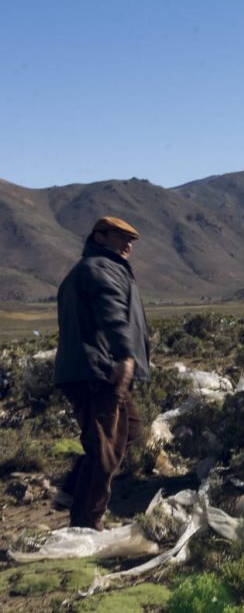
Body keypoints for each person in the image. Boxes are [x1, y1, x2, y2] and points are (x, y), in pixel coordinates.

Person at [53, 216, 150, 530]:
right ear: (100, 237)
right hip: (99, 373)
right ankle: (85, 523)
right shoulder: (99, 270)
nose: (129, 245)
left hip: (94, 369)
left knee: (131, 433)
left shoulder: (92, 270)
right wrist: (125, 355)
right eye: (121, 238)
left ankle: (70, 491)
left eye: (131, 240)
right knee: (106, 452)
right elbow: (111, 313)